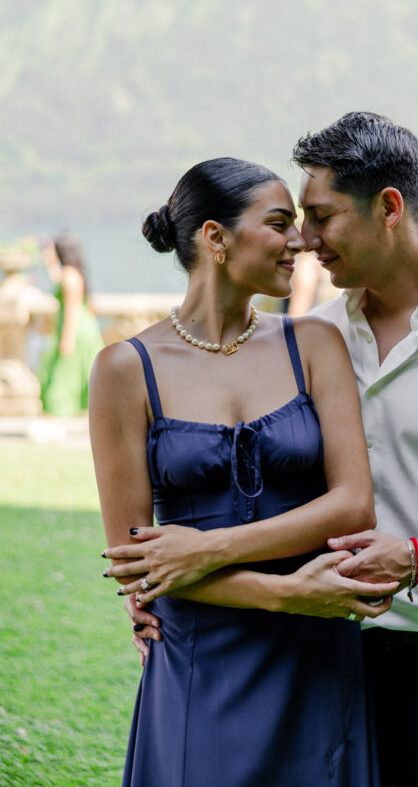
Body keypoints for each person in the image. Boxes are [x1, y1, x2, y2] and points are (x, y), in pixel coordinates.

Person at [116, 116, 418, 786]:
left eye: (321, 217)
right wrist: (178, 582)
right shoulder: (305, 339)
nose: (304, 241)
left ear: (388, 208)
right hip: (305, 654)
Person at [92, 157, 395, 787]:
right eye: (281, 223)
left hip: (314, 651)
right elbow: (135, 559)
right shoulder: (125, 368)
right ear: (215, 237)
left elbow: (352, 505)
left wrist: (208, 548)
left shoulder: (312, 344)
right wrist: (287, 594)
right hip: (203, 653)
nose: (302, 242)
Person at [39, 232, 103, 416]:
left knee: (61, 377)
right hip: (82, 329)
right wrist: (50, 263)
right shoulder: (73, 273)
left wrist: (66, 339)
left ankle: (59, 416)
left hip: (74, 330)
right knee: (74, 375)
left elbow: (71, 309)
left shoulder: (69, 276)